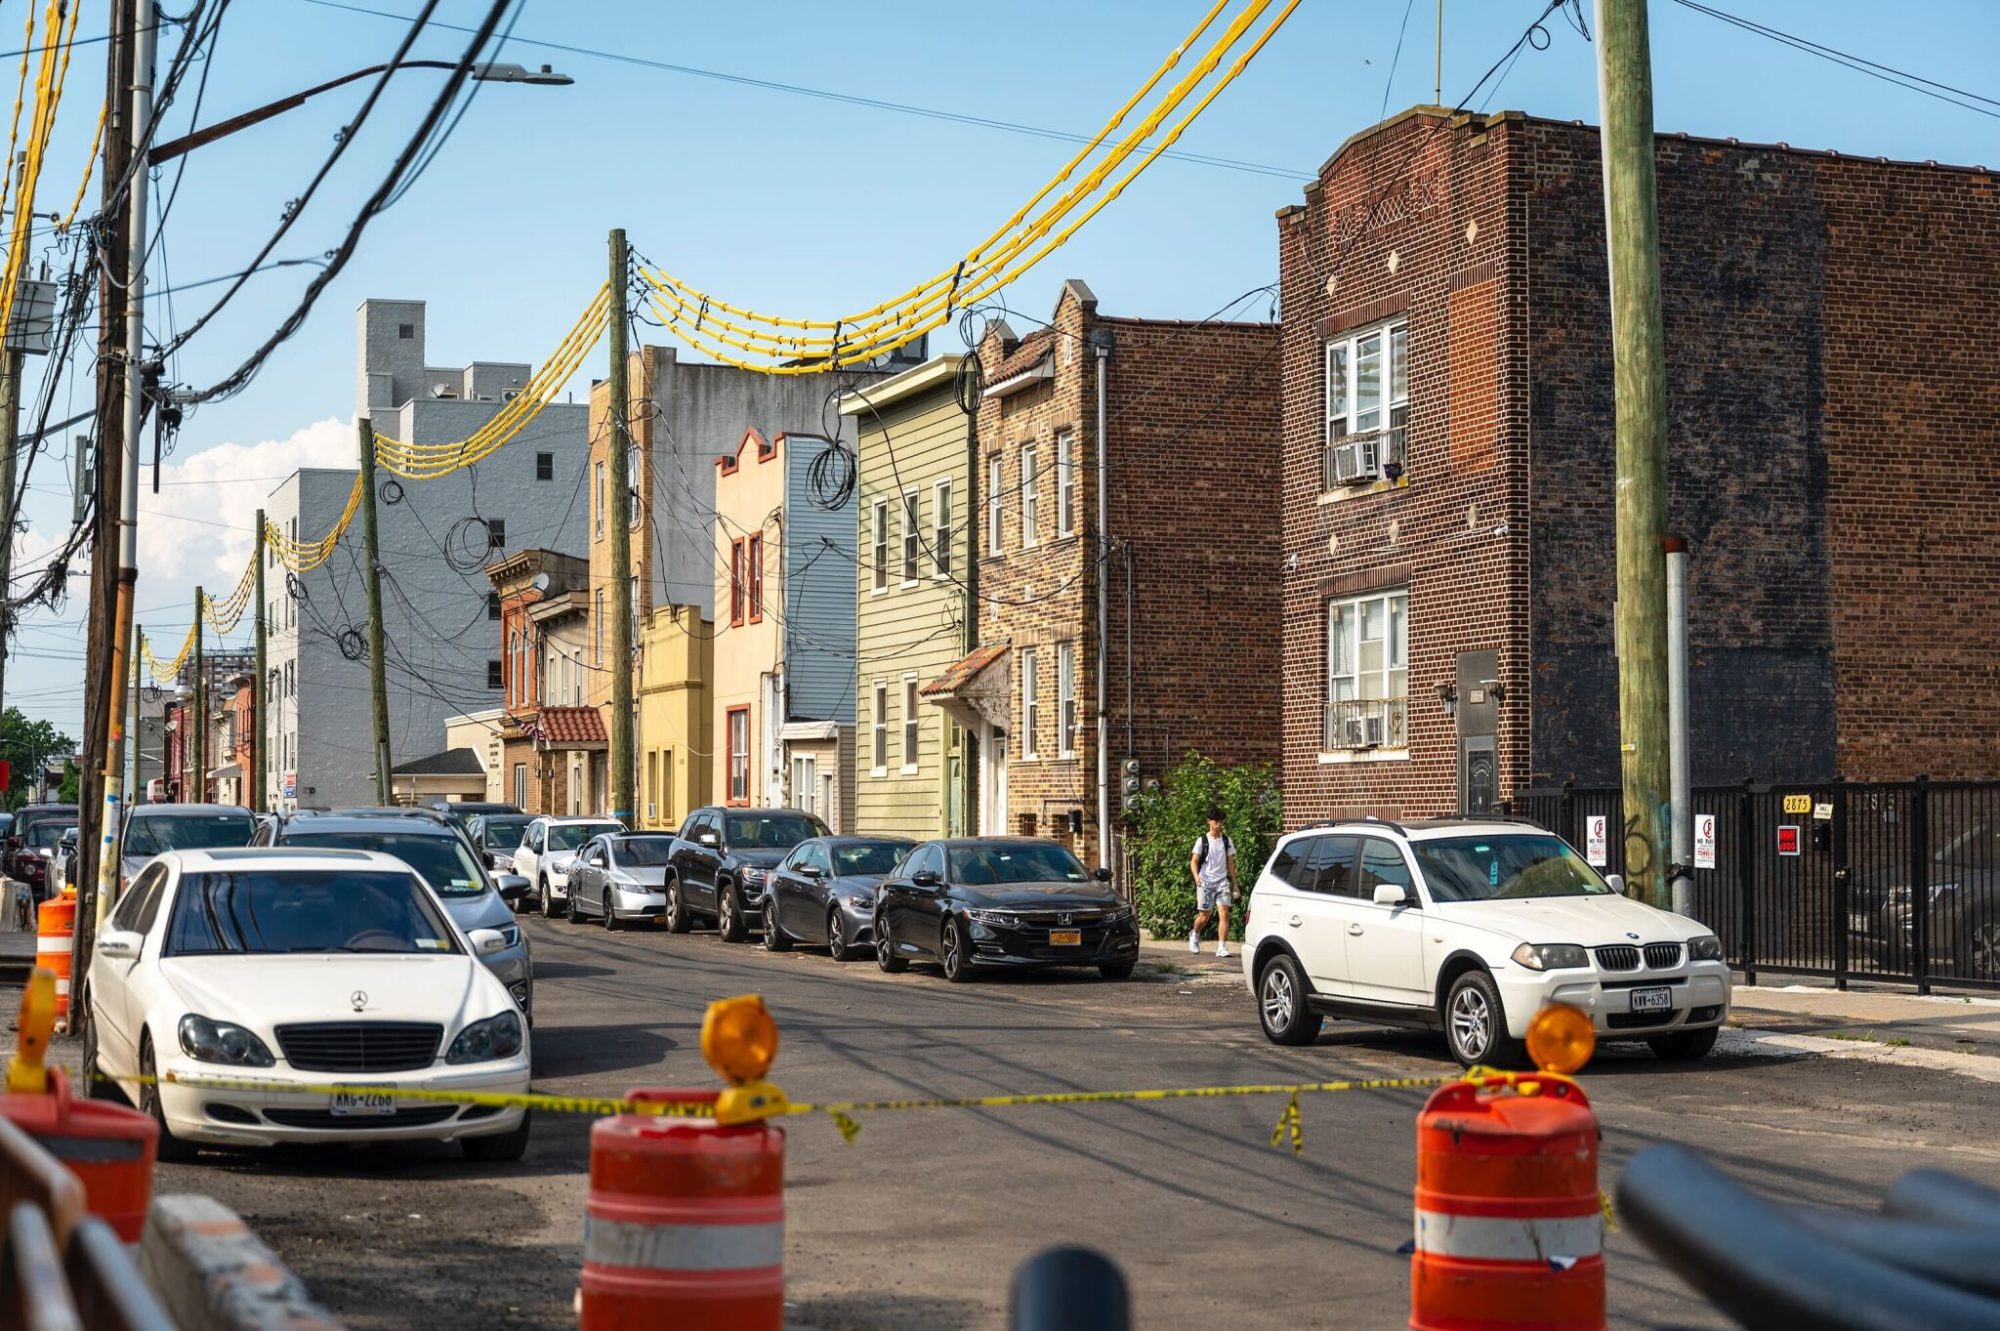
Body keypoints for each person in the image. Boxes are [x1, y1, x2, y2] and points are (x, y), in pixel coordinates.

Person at [1188, 808, 1236, 959]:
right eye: (1216, 821)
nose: (1219, 824)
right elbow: (1194, 862)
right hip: (1206, 882)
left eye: (1221, 821)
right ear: (1209, 821)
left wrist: (1234, 883)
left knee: (1224, 913)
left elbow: (1230, 863)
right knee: (1204, 915)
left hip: (1222, 882)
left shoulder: (1226, 841)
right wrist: (1197, 877)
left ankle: (1222, 947)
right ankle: (1195, 934)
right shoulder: (1202, 841)